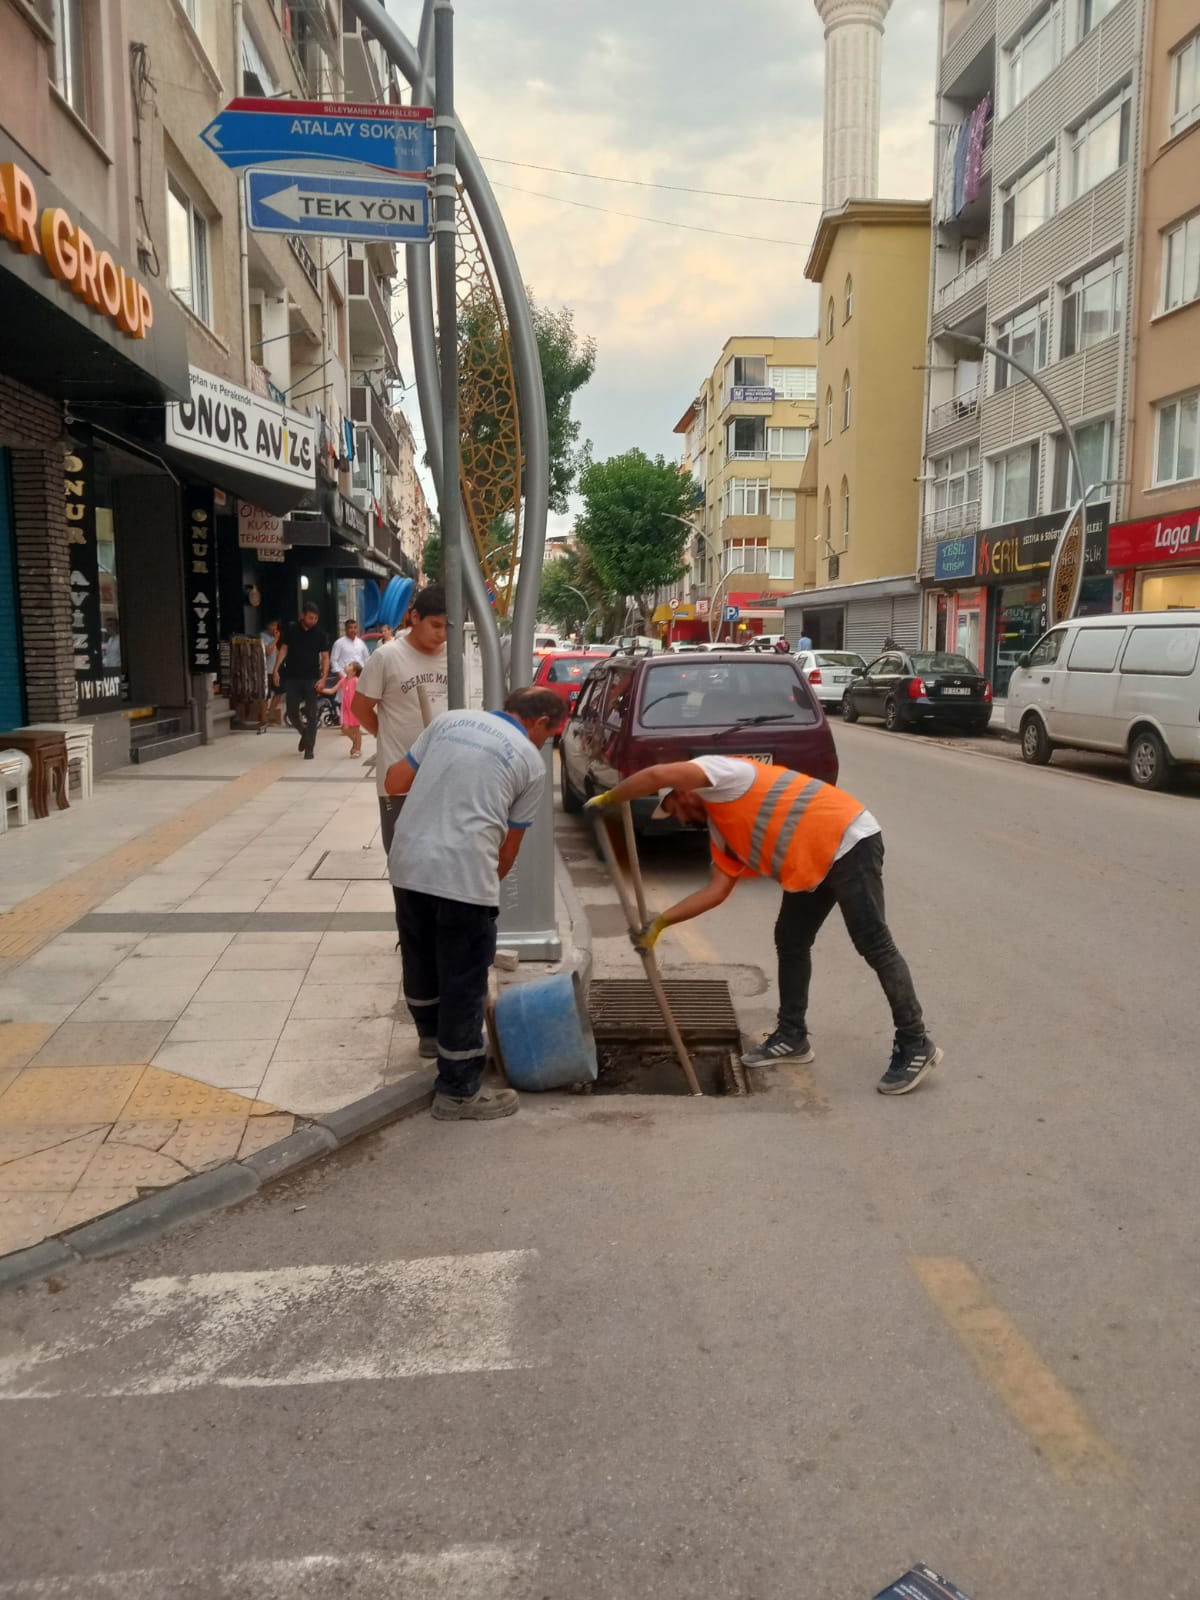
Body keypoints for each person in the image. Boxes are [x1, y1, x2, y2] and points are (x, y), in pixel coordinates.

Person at [585, 758, 941, 1096]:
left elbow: (657, 775)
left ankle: (915, 1042)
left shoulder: (725, 775)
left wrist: (612, 798)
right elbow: (716, 890)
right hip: (812, 864)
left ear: (683, 790)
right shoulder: (721, 831)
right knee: (791, 940)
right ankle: (792, 1036)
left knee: (873, 942)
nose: (680, 817)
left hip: (848, 840)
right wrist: (659, 923)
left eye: (675, 808)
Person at [384, 687, 566, 1121]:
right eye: (550, 735)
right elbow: (508, 851)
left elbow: (394, 782)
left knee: (420, 956)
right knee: (463, 978)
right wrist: (482, 895)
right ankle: (459, 1091)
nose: (546, 743)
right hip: (463, 874)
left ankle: (431, 1039)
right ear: (540, 723)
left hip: (407, 862)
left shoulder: (449, 721)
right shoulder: (529, 761)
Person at [353, 585, 449, 863]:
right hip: (399, 781)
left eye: (447, 627)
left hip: (445, 778)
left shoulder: (456, 659)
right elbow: (360, 708)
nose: (441, 634)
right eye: (435, 625)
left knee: (441, 863)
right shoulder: (387, 656)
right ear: (415, 617)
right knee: (403, 862)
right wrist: (386, 736)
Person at [273, 602, 330, 760]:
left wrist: (324, 678)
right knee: (292, 713)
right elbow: (284, 649)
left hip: (312, 678)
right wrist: (276, 669)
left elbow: (325, 657)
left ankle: (309, 748)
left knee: (312, 714)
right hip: (293, 678)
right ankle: (304, 733)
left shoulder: (320, 634)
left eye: (316, 618)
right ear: (303, 616)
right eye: (310, 617)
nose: (313, 621)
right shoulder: (292, 630)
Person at [259, 620, 283, 730]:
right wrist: (276, 639)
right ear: (267, 625)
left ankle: (271, 712)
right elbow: (267, 652)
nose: (275, 628)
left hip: (274, 670)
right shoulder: (263, 636)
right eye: (272, 625)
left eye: (276, 626)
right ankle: (263, 718)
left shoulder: (273, 638)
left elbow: (276, 653)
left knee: (280, 690)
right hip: (265, 670)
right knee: (266, 694)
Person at [339, 660, 364, 758]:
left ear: (353, 672)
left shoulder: (356, 680)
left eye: (350, 665)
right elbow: (333, 690)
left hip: (355, 709)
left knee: (356, 729)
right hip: (346, 709)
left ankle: (358, 749)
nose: (347, 665)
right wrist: (321, 689)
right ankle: (355, 741)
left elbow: (362, 693)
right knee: (344, 729)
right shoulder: (343, 680)